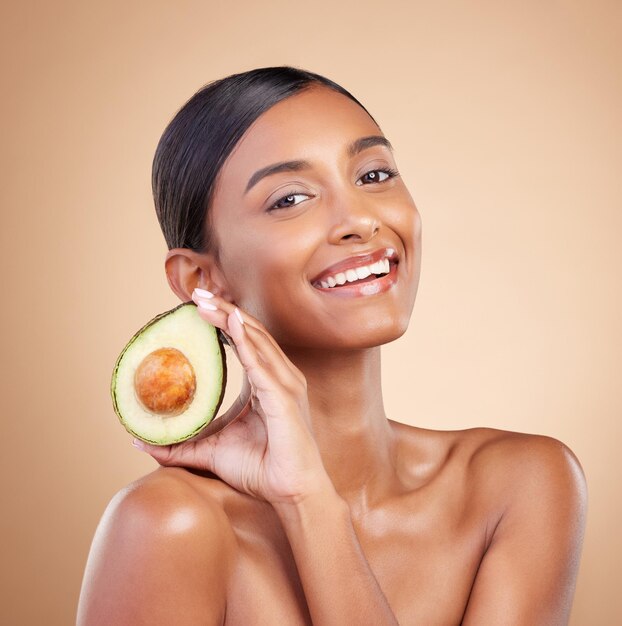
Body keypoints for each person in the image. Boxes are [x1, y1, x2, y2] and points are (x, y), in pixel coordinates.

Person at [77, 66, 587, 625]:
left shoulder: (523, 485)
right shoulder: (169, 525)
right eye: (290, 198)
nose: (360, 220)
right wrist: (304, 498)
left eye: (373, 175)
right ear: (202, 281)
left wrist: (311, 502)